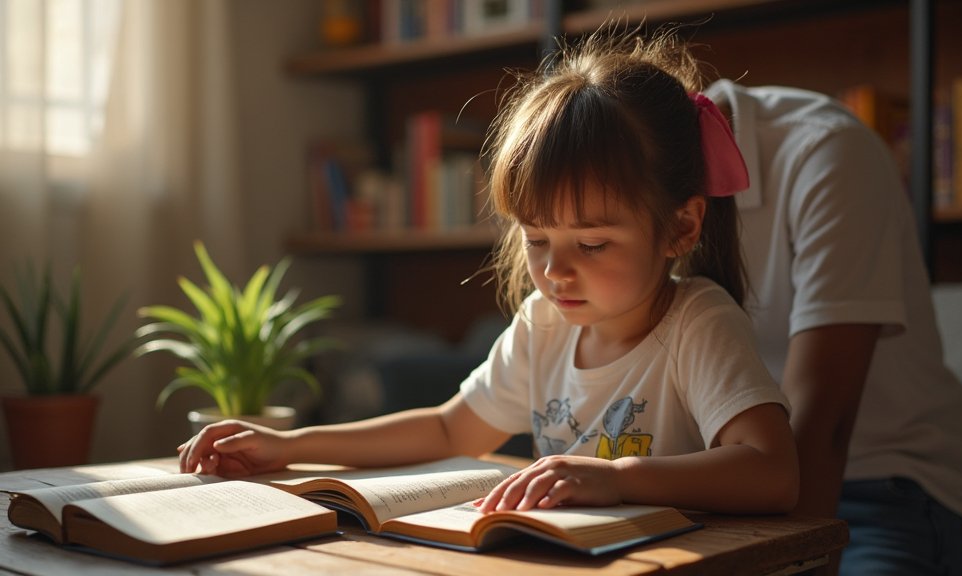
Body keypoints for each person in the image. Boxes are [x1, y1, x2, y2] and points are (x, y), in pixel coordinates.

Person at [177, 28, 801, 517]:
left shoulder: (698, 321)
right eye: (536, 238)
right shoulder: (544, 325)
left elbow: (774, 474)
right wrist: (290, 446)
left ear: (682, 227)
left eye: (592, 243)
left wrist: (616, 478)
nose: (555, 271)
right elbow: (451, 426)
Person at [703, 49, 962, 576]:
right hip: (725, 488)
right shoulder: (632, 198)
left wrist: (787, 564)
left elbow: (825, 423)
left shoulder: (825, 150)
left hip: (880, 488)